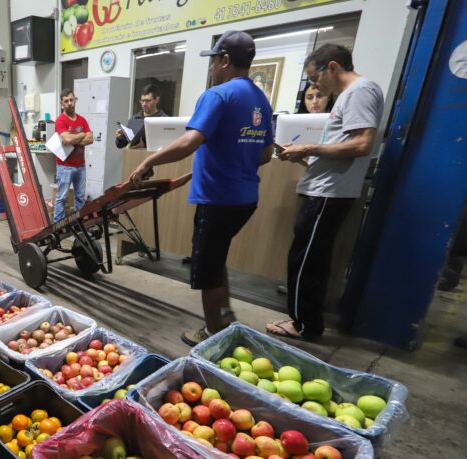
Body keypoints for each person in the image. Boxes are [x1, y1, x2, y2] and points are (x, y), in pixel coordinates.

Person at [129, 30, 274, 346]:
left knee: (207, 271)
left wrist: (147, 161)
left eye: (213, 62)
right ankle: (225, 318)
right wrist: (237, 162)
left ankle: (213, 335)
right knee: (216, 258)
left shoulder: (218, 95)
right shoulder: (260, 99)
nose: (211, 70)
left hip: (218, 198)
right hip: (246, 198)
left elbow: (191, 140)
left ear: (225, 60)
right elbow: (265, 153)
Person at [267, 44, 384, 340]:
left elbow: (362, 145)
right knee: (308, 257)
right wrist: (304, 156)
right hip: (325, 189)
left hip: (329, 193)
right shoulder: (351, 95)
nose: (314, 85)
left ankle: (304, 324)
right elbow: (343, 147)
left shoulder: (359, 91)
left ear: (332, 67)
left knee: (306, 261)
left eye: (314, 77)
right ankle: (304, 320)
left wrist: (309, 147)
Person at [276, 82, 336, 295]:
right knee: (300, 242)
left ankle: (303, 295)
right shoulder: (297, 123)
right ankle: (296, 287)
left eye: (319, 96)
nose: (314, 102)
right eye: (309, 97)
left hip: (326, 190)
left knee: (314, 249)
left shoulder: (335, 124)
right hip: (308, 186)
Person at [53, 88, 93, 223]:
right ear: (61, 104)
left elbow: (91, 139)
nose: (69, 103)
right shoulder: (60, 120)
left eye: (71, 100)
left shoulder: (82, 120)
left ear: (75, 100)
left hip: (80, 166)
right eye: (66, 101)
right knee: (62, 197)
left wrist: (74, 137)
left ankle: (79, 223)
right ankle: (58, 226)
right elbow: (67, 140)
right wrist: (82, 135)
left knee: (80, 197)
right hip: (65, 166)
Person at [115, 83, 168, 149]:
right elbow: (121, 145)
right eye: (142, 100)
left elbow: (167, 147)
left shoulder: (165, 120)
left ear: (157, 100)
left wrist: (143, 147)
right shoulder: (134, 119)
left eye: (148, 101)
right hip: (132, 158)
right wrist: (120, 137)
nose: (144, 104)